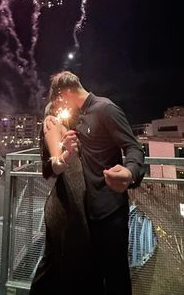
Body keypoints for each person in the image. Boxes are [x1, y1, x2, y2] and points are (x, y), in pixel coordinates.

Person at [47, 71, 145, 295]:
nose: (61, 105)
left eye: (60, 99)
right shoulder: (81, 115)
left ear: (67, 93)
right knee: (93, 278)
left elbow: (134, 147)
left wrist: (130, 173)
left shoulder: (105, 108)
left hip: (110, 212)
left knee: (116, 278)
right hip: (88, 213)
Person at [29, 103, 94, 295]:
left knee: (58, 263)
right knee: (62, 264)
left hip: (73, 202)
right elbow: (54, 166)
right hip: (66, 206)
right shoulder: (52, 122)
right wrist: (67, 155)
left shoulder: (70, 128)